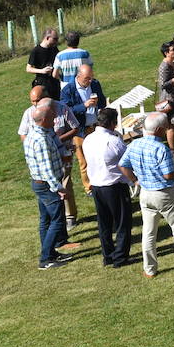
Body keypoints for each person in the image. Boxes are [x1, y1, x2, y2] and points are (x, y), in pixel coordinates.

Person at [119, 111, 174, 276]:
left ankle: (150, 269)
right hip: (164, 193)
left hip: (145, 193)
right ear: (159, 130)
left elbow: (122, 165)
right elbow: (168, 174)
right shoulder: (161, 148)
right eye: (166, 127)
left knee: (149, 233)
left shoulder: (134, 144)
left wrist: (135, 181)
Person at [24, 100, 73, 269]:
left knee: (45, 220)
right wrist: (59, 188)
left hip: (39, 183)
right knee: (58, 220)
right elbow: (46, 169)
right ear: (44, 119)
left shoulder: (34, 134)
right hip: (47, 185)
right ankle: (45, 259)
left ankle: (51, 253)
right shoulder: (42, 140)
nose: (55, 119)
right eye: (52, 117)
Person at [81, 106, 131, 267]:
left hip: (96, 186)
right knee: (122, 223)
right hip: (114, 186)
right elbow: (127, 161)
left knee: (104, 224)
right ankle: (120, 257)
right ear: (110, 123)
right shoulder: (114, 140)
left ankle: (107, 255)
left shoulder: (88, 139)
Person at [60, 62, 105, 194]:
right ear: (78, 76)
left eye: (91, 77)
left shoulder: (95, 84)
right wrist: (83, 106)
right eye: (87, 78)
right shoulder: (68, 90)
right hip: (79, 131)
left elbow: (102, 101)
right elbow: (66, 111)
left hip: (95, 127)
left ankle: (100, 182)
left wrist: (99, 103)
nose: (90, 81)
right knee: (84, 161)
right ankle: (89, 188)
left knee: (99, 157)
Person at [26, 26, 60, 92]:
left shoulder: (54, 48)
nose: (57, 41)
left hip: (54, 82)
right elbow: (28, 69)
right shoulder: (36, 51)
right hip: (42, 83)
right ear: (47, 38)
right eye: (55, 39)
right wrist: (42, 71)